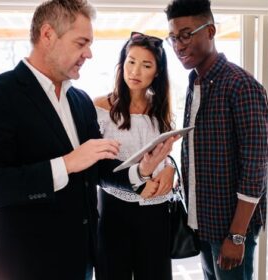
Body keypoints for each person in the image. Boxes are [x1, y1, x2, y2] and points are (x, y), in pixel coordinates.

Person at [0, 1, 175, 279]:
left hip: (82, 263)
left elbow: (99, 169)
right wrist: (66, 164)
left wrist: (141, 170)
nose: (89, 54)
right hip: (27, 266)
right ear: (48, 35)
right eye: (81, 43)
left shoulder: (79, 100)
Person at [164, 0, 268, 279]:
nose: (179, 45)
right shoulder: (195, 83)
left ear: (210, 31)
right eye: (173, 37)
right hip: (203, 223)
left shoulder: (240, 85)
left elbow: (255, 168)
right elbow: (207, 149)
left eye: (186, 34)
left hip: (230, 229)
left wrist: (236, 236)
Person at [94, 31, 175, 280]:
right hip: (115, 211)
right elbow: (95, 167)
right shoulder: (100, 107)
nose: (135, 71)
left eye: (146, 65)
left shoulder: (161, 110)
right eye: (131, 61)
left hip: (156, 212)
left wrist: (171, 170)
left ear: (157, 72)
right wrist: (139, 179)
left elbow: (166, 154)